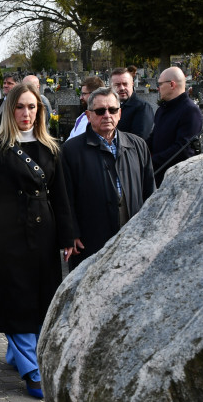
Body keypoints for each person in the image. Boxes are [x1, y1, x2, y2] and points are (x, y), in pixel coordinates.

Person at [0, 82, 76, 400]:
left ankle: (22, 354)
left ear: (40, 110)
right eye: (20, 107)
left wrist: (67, 235)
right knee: (15, 298)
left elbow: (61, 195)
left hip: (43, 232)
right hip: (6, 233)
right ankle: (32, 370)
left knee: (41, 298)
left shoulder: (51, 147)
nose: (26, 113)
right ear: (10, 110)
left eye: (32, 107)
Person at [62, 87, 154, 269]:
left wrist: (150, 228)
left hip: (132, 237)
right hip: (90, 240)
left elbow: (150, 190)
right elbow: (65, 197)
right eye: (100, 111)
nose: (107, 115)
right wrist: (71, 233)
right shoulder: (71, 150)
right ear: (88, 115)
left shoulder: (137, 145)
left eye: (112, 110)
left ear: (119, 113)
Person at [148, 67, 203, 186]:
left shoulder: (190, 111)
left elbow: (183, 149)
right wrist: (137, 151)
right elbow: (154, 137)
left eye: (160, 84)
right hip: (158, 175)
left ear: (172, 85)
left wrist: (151, 162)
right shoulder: (163, 109)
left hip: (177, 179)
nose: (158, 88)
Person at [111, 66, 155, 141]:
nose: (122, 88)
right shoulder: (109, 107)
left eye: (125, 84)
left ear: (132, 84)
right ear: (111, 87)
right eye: (117, 85)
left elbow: (139, 140)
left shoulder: (142, 107)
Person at [69, 76, 105, 141]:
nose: (81, 98)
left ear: (94, 94)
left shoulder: (104, 119)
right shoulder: (81, 118)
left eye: (84, 94)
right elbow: (70, 140)